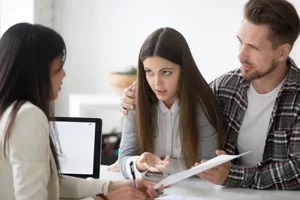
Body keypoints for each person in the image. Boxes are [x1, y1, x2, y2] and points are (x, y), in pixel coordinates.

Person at [121, 0, 300, 190]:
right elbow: (186, 92)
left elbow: (296, 171)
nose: (241, 54)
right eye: (240, 42)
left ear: (282, 52)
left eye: (253, 48)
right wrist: (135, 94)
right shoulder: (225, 88)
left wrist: (233, 176)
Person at [0, 23, 163, 200]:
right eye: (58, 68)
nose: (64, 74)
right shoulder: (28, 116)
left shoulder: (10, 111)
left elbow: (50, 183)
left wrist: (113, 186)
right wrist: (107, 199)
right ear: (36, 72)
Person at [118, 27, 223, 179]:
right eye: (149, 71)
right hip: (150, 188)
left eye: (166, 72)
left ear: (184, 70)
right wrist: (140, 162)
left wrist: (164, 165)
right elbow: (124, 160)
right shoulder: (135, 100)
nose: (156, 83)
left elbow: (207, 164)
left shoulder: (201, 104)